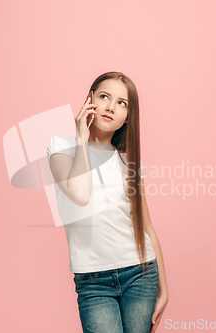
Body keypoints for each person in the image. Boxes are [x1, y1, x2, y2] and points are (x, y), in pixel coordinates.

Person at [47, 72, 168, 333]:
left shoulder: (128, 162)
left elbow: (145, 225)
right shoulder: (60, 148)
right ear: (89, 100)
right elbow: (80, 195)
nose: (111, 107)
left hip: (141, 274)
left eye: (122, 103)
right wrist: (81, 138)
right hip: (93, 281)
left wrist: (164, 286)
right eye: (104, 97)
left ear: (128, 116)